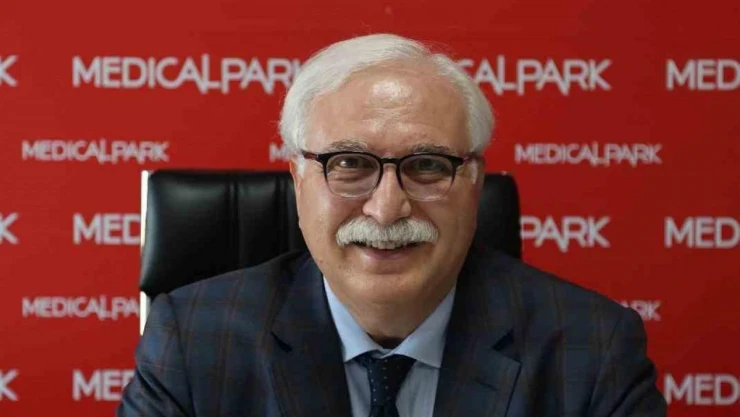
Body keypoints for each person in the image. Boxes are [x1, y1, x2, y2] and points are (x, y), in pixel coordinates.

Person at [118, 33, 667, 417]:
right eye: (349, 164)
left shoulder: (592, 350)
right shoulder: (193, 344)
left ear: (475, 183)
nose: (385, 209)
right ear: (298, 181)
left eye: (427, 166)